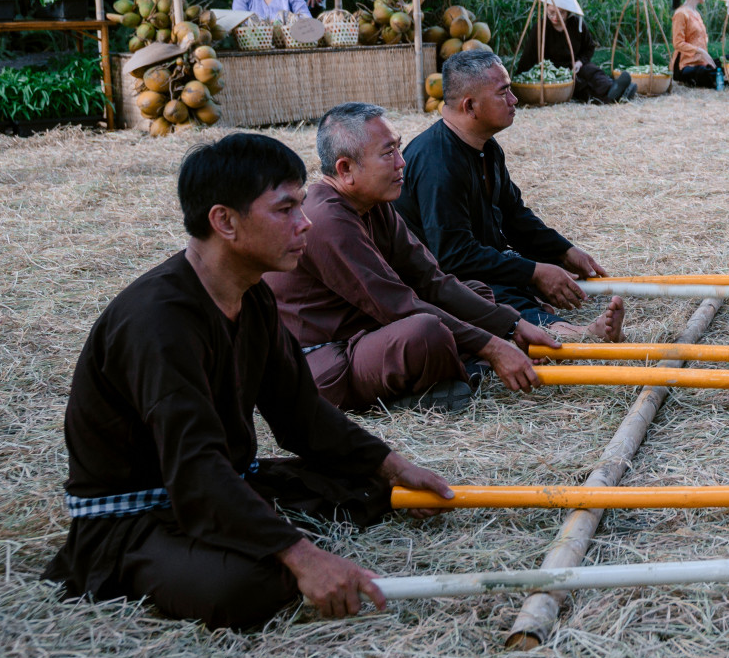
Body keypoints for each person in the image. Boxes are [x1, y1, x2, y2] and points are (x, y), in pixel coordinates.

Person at [44, 132, 454, 629]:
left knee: (368, 484)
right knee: (249, 586)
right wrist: (302, 557)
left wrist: (394, 466)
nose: (306, 223)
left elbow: (300, 413)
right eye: (285, 209)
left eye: (301, 205)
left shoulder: (252, 295)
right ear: (225, 221)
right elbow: (194, 467)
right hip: (135, 516)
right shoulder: (158, 320)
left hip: (218, 482)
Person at [268, 103, 566, 413]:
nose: (402, 162)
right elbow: (399, 306)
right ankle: (454, 374)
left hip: (370, 333)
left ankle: (454, 370)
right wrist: (493, 346)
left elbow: (432, 281)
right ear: (345, 169)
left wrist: (512, 325)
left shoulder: (375, 204)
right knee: (426, 332)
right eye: (388, 153)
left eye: (398, 148)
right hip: (326, 366)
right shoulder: (326, 220)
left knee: (476, 292)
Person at [398, 49, 626, 334]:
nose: (514, 99)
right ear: (470, 106)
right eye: (503, 92)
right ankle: (577, 334)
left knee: (536, 270)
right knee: (488, 295)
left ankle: (540, 305)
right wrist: (535, 272)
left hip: (473, 264)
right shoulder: (437, 162)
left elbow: (514, 216)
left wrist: (564, 251)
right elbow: (453, 257)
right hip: (438, 281)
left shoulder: (486, 147)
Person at [515, 0, 635, 103]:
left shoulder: (577, 24)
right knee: (580, 86)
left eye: (561, 13)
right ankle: (617, 94)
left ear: (567, 12)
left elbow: (589, 47)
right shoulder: (540, 27)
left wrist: (580, 62)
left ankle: (613, 87)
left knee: (592, 71)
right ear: (546, 9)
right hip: (556, 71)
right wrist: (519, 80)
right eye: (551, 12)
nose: (555, 17)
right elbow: (529, 55)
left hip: (575, 64)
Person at [669, 0, 721, 89]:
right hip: (685, 66)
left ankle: (714, 76)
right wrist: (701, 51)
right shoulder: (681, 13)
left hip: (700, 63)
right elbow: (677, 43)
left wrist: (705, 56)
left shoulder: (696, 14)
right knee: (705, 73)